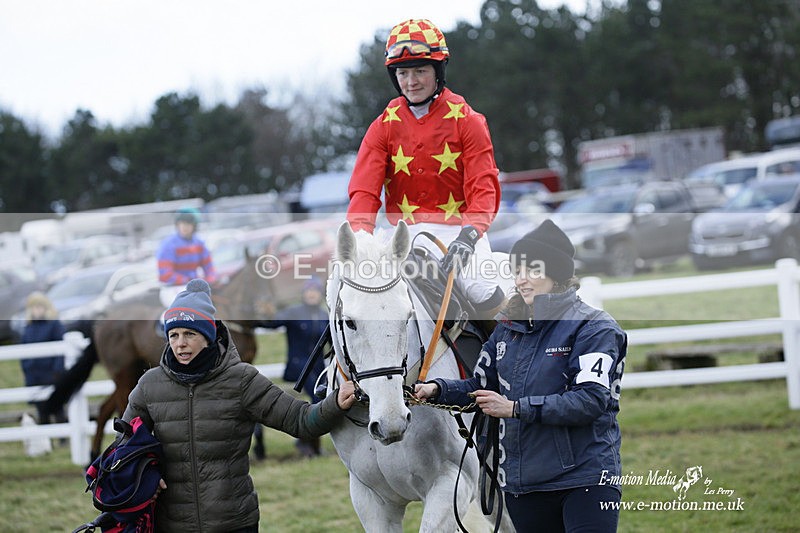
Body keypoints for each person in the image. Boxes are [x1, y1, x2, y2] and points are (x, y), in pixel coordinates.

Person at [415, 220, 627, 533]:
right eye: (517, 271)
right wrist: (437, 390)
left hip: (585, 479)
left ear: (556, 274)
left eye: (532, 270)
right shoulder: (507, 330)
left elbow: (590, 401)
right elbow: (482, 387)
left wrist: (515, 408)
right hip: (523, 487)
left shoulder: (594, 328)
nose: (521, 279)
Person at [122, 279, 356, 532]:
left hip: (234, 522)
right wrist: (143, 474)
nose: (180, 343)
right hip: (170, 525)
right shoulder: (149, 384)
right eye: (173, 335)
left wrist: (335, 403)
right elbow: (125, 440)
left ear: (208, 336)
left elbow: (300, 420)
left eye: (190, 334)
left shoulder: (242, 379)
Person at [346, 18, 505, 317]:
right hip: (401, 235)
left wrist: (469, 236)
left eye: (420, 71)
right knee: (356, 291)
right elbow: (364, 193)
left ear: (438, 71)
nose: (411, 81)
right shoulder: (382, 127)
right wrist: (360, 239)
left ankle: (510, 345)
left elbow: (483, 188)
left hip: (457, 232)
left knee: (481, 288)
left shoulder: (468, 121)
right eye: (403, 73)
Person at [257, 277, 329, 457]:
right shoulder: (294, 311)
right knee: (316, 398)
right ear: (303, 293)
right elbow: (271, 323)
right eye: (309, 291)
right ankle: (306, 443)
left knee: (320, 399)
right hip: (298, 366)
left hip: (318, 368)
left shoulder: (324, 315)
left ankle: (313, 444)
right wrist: (266, 314)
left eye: (315, 291)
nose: (312, 294)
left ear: (320, 294)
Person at [20, 291, 67, 425]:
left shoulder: (54, 325)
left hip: (51, 373)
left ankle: (63, 433)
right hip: (34, 375)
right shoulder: (28, 328)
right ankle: (45, 434)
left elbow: (60, 349)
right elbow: (23, 351)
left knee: (57, 407)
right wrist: (27, 369)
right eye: (34, 307)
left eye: (40, 306)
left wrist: (57, 371)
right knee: (41, 410)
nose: (37, 310)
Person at [156, 207, 217, 307]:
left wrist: (210, 279)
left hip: (194, 288)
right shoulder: (168, 244)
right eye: (182, 223)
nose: (185, 227)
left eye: (188, 224)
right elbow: (165, 274)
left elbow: (209, 268)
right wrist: (190, 281)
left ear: (194, 226)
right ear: (177, 224)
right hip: (172, 289)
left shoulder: (199, 243)